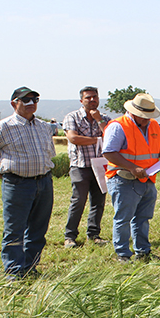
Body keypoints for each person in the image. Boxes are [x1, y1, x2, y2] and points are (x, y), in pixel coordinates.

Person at [0, 86, 56, 278]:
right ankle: (14, 271)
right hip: (17, 184)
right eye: (26, 100)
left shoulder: (44, 127)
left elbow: (49, 154)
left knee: (38, 229)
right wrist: (4, 175)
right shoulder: (2, 127)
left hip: (44, 182)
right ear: (14, 103)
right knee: (15, 229)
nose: (32, 104)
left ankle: (30, 267)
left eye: (35, 100)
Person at [102, 93, 160, 263]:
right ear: (134, 112)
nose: (146, 120)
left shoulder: (155, 126)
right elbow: (108, 152)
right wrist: (132, 167)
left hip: (148, 179)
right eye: (144, 117)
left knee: (143, 217)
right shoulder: (118, 126)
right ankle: (122, 253)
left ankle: (143, 251)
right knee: (123, 218)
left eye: (149, 117)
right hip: (123, 179)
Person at [62, 86, 109, 248]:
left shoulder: (104, 118)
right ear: (81, 101)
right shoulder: (72, 117)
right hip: (80, 165)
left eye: (94, 97)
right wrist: (97, 140)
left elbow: (109, 137)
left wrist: (99, 121)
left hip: (101, 166)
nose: (92, 100)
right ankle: (70, 236)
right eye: (88, 97)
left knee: (98, 201)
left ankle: (94, 234)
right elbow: (73, 138)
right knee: (78, 200)